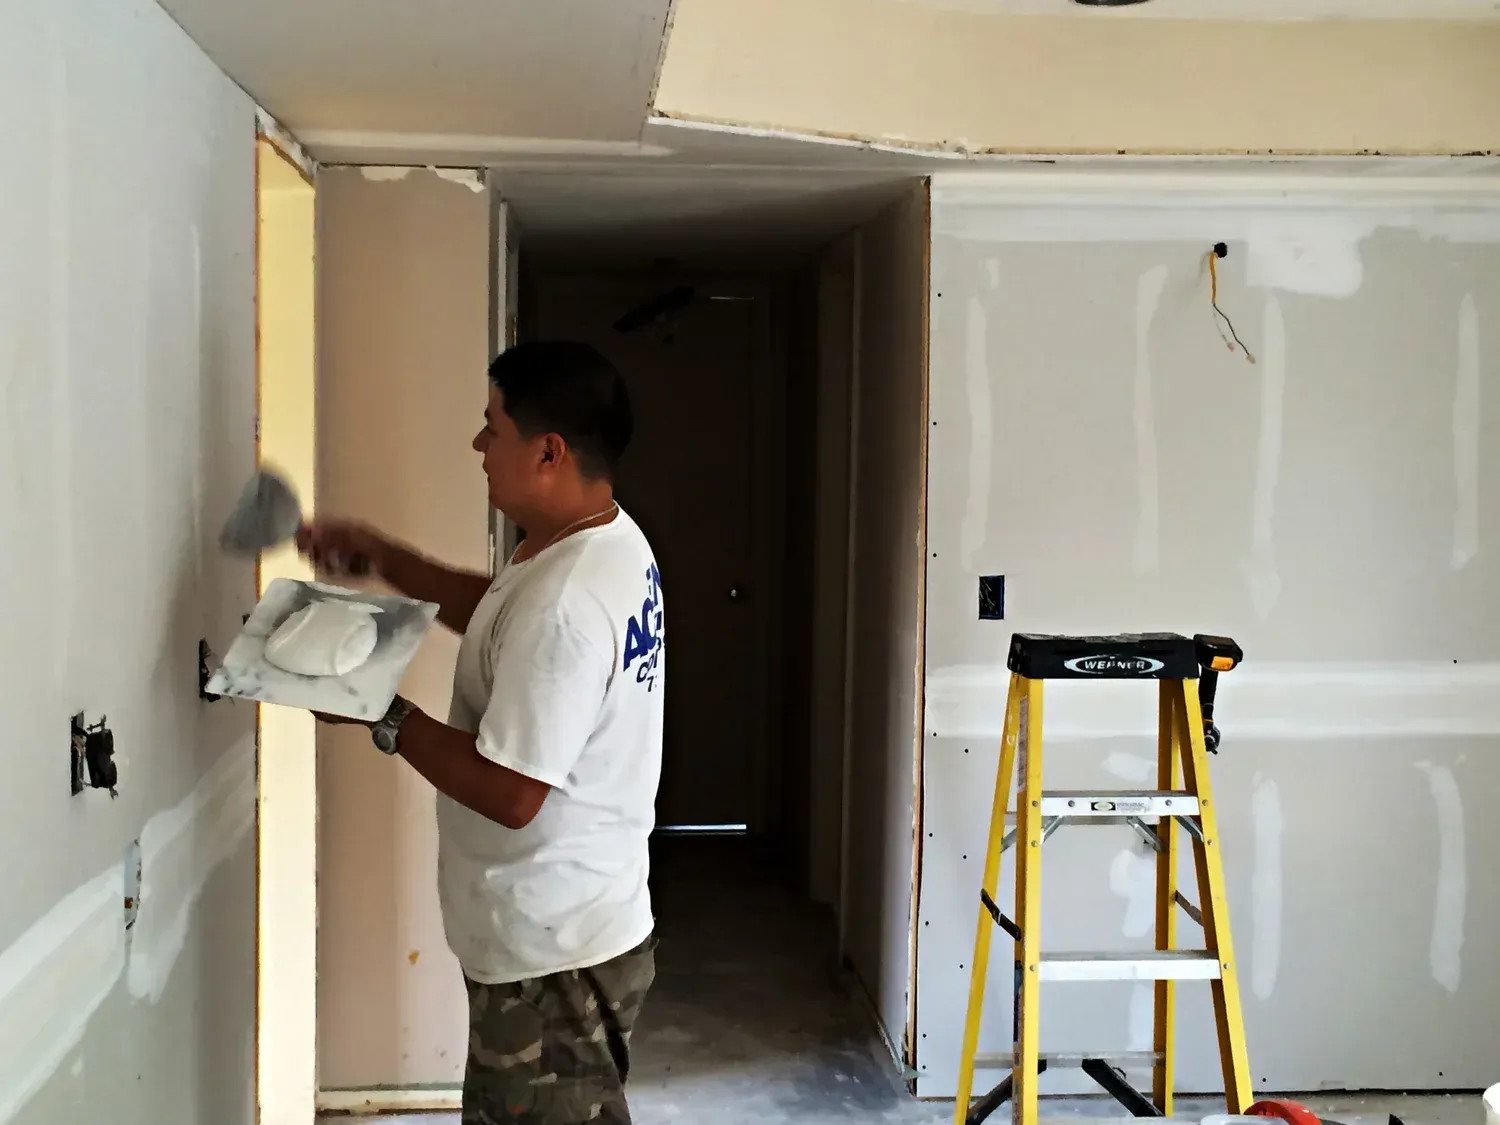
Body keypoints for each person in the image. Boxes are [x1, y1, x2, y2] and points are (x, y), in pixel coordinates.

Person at [297, 340, 665, 1125]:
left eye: (490, 427)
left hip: (552, 956)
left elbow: (512, 791)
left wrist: (380, 711)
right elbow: (503, 616)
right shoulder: (604, 541)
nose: (477, 445)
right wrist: (386, 558)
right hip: (577, 927)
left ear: (548, 450)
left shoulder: (567, 604)